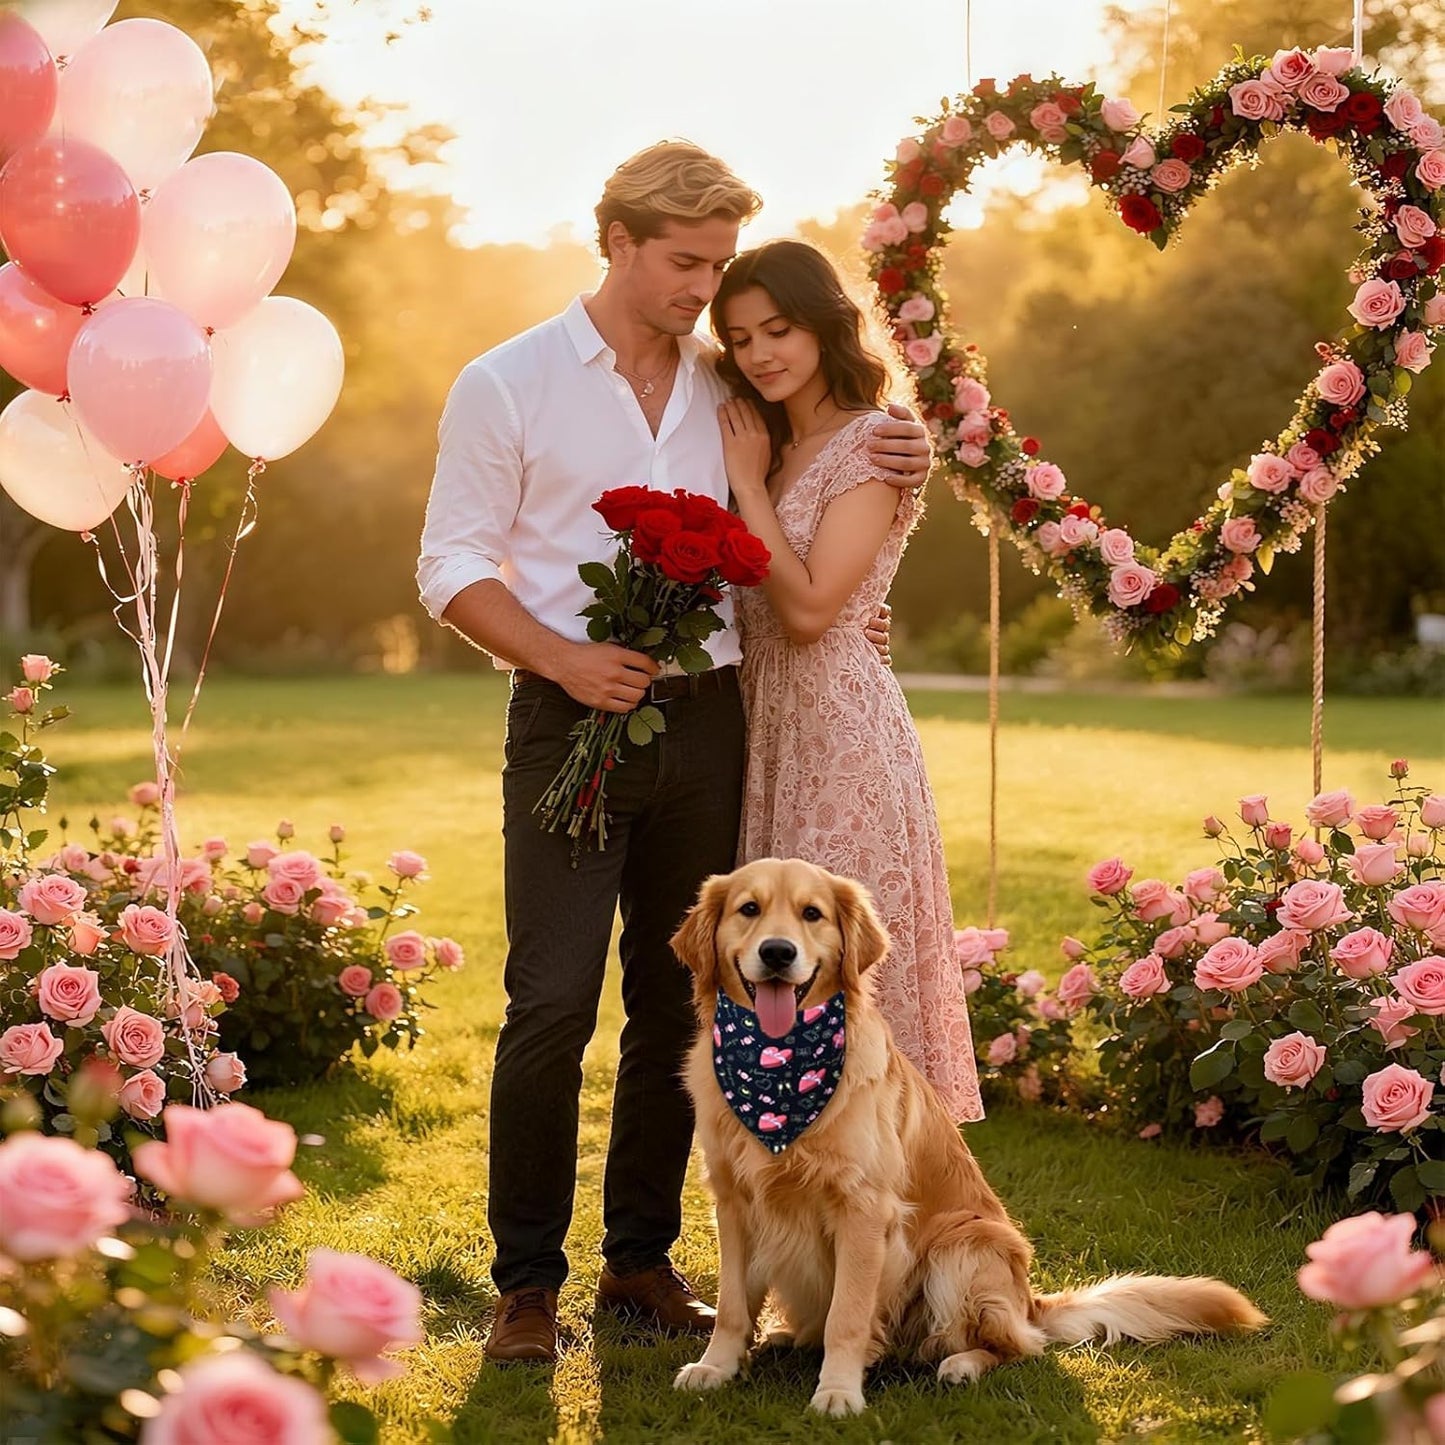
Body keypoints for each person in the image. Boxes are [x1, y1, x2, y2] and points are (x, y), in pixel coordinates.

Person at [416, 142, 933, 1366]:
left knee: (679, 1000)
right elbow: (449, 562)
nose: (705, 289)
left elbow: (821, 452)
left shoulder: (725, 387)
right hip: (564, 720)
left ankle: (640, 1260)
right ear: (617, 241)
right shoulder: (507, 381)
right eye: (684, 262)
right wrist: (557, 656)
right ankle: (526, 1282)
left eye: (716, 264)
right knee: (548, 1001)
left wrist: (892, 446)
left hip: (707, 720)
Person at [712, 239, 982, 1123]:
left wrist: (748, 487)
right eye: (741, 336)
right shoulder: (770, 439)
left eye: (779, 329)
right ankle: (796, 1208)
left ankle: (892, 1205)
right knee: (773, 968)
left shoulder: (872, 439)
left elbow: (810, 611)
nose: (760, 353)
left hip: (839, 737)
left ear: (825, 326)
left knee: (845, 979)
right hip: (764, 726)